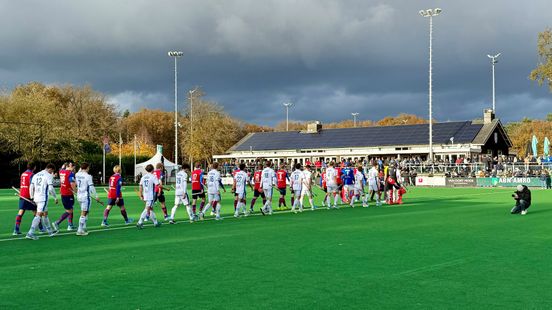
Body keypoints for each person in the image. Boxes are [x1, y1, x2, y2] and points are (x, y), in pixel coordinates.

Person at [26, 163, 59, 240]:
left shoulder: (36, 175)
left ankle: (50, 231)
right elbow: (51, 188)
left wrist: (32, 197)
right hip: (43, 198)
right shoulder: (48, 175)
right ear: (50, 169)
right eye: (52, 171)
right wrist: (55, 197)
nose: (52, 173)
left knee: (45, 214)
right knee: (39, 215)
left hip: (36, 197)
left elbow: (31, 186)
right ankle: (30, 233)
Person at [13, 163, 43, 235]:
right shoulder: (32, 175)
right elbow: (32, 186)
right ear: (34, 167)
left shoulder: (23, 174)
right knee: (36, 211)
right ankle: (41, 228)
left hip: (22, 194)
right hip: (29, 195)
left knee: (21, 211)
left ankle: (16, 229)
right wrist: (34, 195)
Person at [75, 163, 100, 236]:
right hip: (85, 196)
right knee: (84, 213)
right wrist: (96, 196)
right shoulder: (88, 176)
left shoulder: (77, 174)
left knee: (85, 212)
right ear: (87, 168)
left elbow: (79, 171)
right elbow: (91, 187)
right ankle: (80, 230)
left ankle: (83, 227)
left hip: (79, 195)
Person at [53, 162, 77, 232]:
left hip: (63, 193)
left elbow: (62, 167)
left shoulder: (61, 171)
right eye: (74, 168)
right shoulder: (70, 173)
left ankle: (70, 225)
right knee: (69, 210)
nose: (74, 169)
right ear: (70, 166)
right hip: (68, 193)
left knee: (70, 208)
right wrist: (76, 191)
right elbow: (72, 183)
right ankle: (57, 222)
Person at [136, 164, 162, 229]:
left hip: (145, 195)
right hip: (150, 196)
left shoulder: (143, 177)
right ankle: (140, 222)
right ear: (153, 169)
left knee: (150, 208)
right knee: (147, 209)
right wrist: (160, 187)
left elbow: (140, 186)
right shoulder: (153, 177)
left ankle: (155, 222)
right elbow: (158, 185)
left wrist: (141, 194)